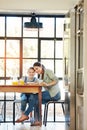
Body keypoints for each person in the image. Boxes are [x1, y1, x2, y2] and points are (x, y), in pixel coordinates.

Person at [32, 61, 61, 126]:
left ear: (41, 66)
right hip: (49, 93)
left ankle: (37, 120)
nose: (36, 71)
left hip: (55, 94)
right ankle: (38, 120)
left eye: (37, 68)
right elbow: (42, 86)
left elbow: (56, 80)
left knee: (35, 97)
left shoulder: (48, 71)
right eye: (35, 69)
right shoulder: (40, 77)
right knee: (36, 101)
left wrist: (47, 84)